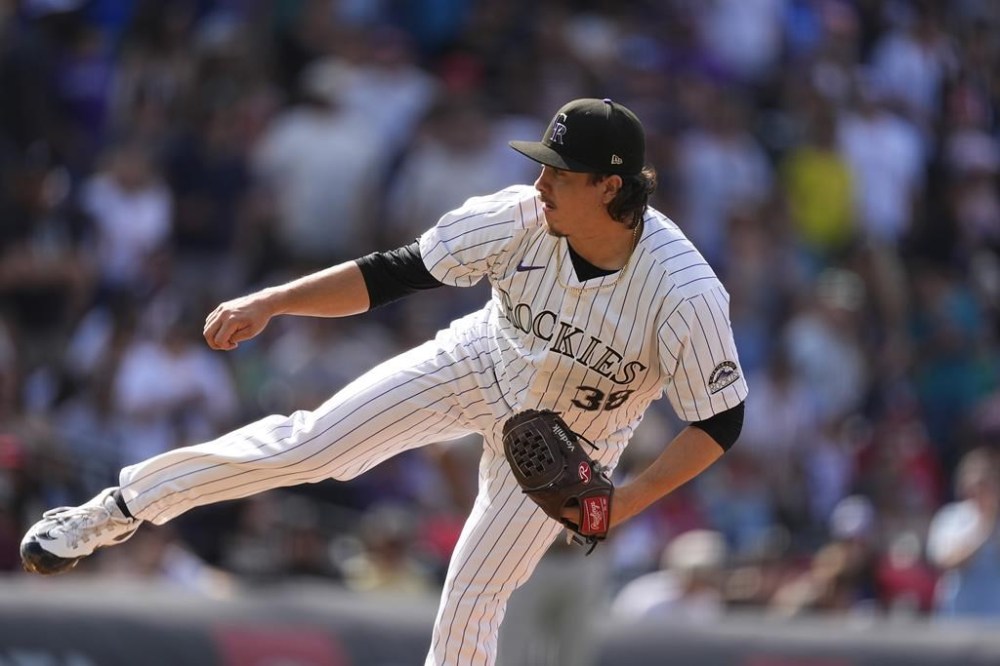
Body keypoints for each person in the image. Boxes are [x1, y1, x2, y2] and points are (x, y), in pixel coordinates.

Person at [20, 98, 748, 665]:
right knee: (313, 447)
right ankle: (116, 507)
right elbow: (392, 273)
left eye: (560, 171)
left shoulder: (681, 290)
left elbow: (720, 419)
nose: (540, 180)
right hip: (478, 363)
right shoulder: (517, 218)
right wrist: (273, 300)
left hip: (573, 439)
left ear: (610, 186)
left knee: (474, 595)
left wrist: (629, 500)